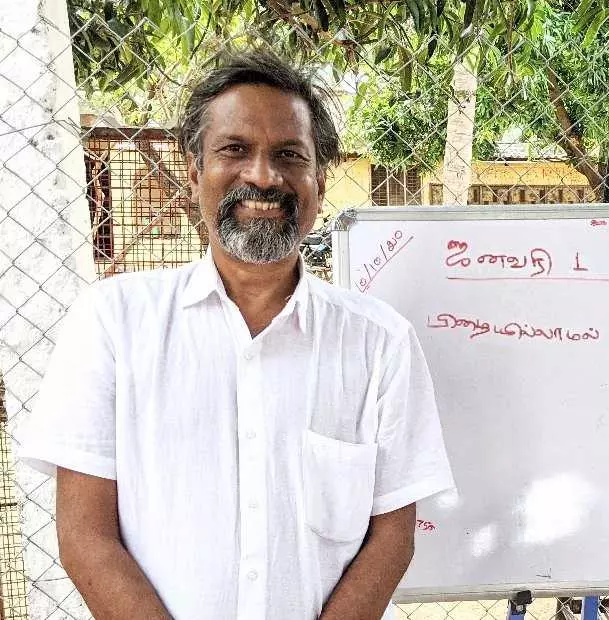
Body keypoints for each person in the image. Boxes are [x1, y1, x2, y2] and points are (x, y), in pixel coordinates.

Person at [17, 50, 454, 620]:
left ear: (320, 182)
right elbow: (85, 534)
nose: (263, 176)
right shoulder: (112, 322)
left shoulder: (379, 343)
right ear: (194, 172)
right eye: (234, 150)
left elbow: (392, 537)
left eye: (289, 155)